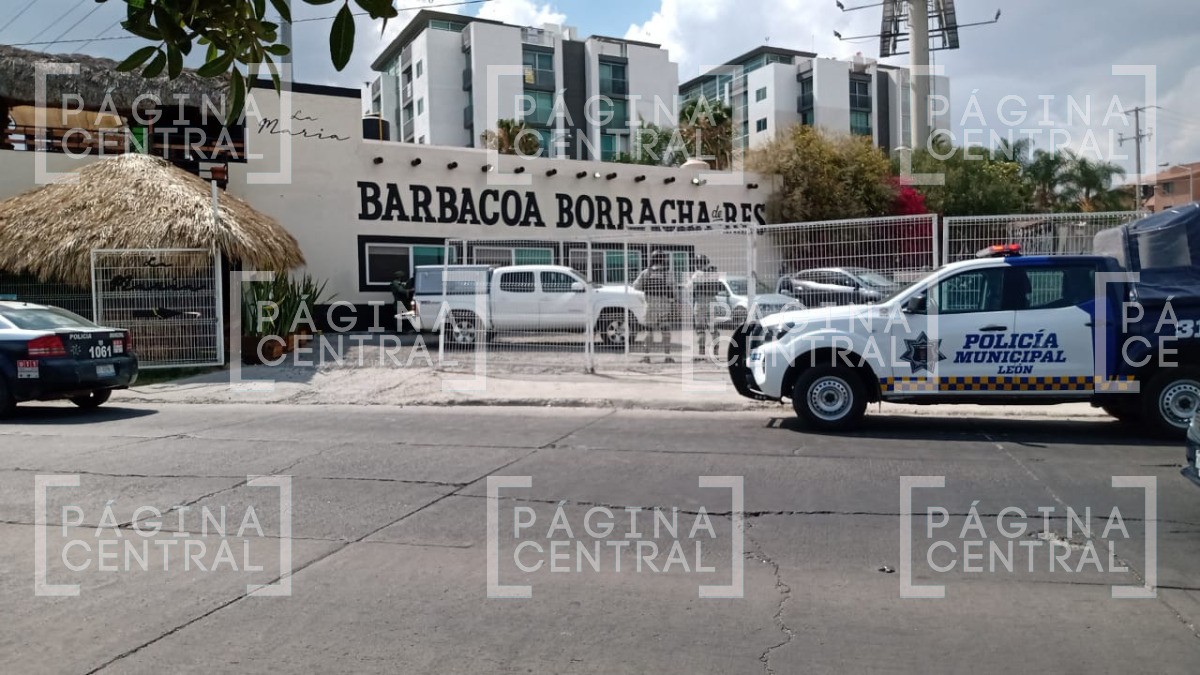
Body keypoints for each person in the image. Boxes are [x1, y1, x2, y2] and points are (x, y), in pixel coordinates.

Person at [632, 251, 676, 363]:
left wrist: (646, 288)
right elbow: (673, 290)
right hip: (664, 306)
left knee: (649, 330)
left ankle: (647, 356)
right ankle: (667, 356)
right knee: (665, 331)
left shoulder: (646, 273)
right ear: (664, 260)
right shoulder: (668, 273)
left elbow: (635, 286)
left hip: (650, 305)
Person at [689, 255, 722, 361]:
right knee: (714, 329)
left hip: (700, 302)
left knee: (700, 329)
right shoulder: (713, 273)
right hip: (712, 301)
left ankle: (701, 354)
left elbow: (690, 288)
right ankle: (715, 354)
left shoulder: (697, 274)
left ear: (698, 263)